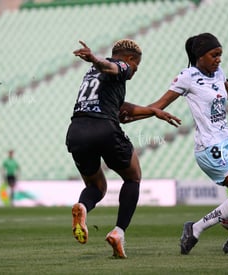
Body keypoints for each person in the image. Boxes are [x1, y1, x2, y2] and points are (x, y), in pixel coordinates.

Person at [123, 33, 228, 255]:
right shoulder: (187, 77)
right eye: (214, 55)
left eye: (220, 55)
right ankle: (196, 228)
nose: (219, 59)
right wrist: (132, 116)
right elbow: (159, 104)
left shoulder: (219, 73)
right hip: (210, 149)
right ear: (199, 56)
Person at [65, 39, 181, 259]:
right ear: (130, 59)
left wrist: (153, 111)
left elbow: (122, 108)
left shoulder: (93, 76)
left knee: (96, 186)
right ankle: (118, 232)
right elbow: (113, 67)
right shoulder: (119, 66)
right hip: (104, 129)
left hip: (76, 130)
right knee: (133, 176)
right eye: (136, 66)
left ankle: (82, 206)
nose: (134, 71)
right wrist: (95, 58)